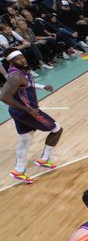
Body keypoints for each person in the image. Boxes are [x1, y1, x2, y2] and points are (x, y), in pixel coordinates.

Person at [0, 48, 62, 184]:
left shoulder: (22, 70)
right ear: (11, 62)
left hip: (18, 111)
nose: (22, 60)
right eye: (17, 59)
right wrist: (28, 109)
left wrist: (42, 86)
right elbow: (3, 96)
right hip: (26, 112)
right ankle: (44, 159)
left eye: (22, 57)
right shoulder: (15, 76)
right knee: (57, 129)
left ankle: (19, 170)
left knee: (25, 139)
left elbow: (27, 84)